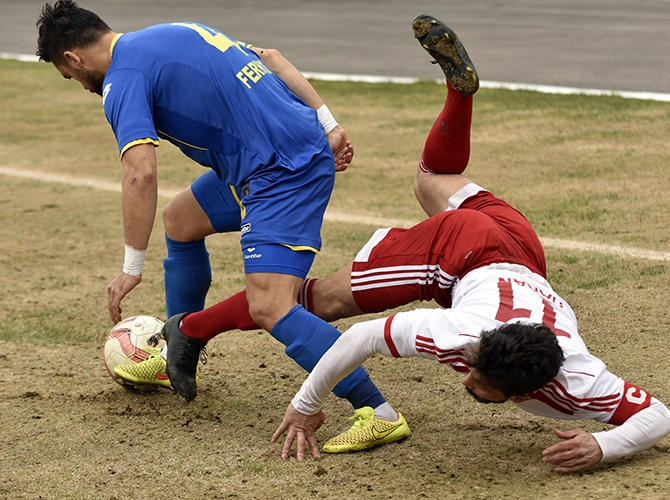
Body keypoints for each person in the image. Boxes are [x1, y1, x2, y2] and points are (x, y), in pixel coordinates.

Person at [267, 14, 670, 471]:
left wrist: (604, 446)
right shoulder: (472, 338)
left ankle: (459, 95)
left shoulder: (577, 378)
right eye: (476, 368)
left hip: (523, 250)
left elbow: (660, 416)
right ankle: (199, 327)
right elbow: (360, 337)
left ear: (522, 393)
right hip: (462, 253)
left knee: (432, 182)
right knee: (308, 302)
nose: (468, 375)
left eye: (479, 378)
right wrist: (304, 404)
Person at [36, 0, 399, 438]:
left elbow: (140, 172)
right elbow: (272, 58)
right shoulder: (175, 30)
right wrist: (329, 125)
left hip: (281, 175)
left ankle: (378, 411)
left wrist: (132, 266)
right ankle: (181, 343)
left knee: (269, 304)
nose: (78, 84)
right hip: (278, 156)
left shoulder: (122, 79)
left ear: (72, 58)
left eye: (68, 75)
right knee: (180, 221)